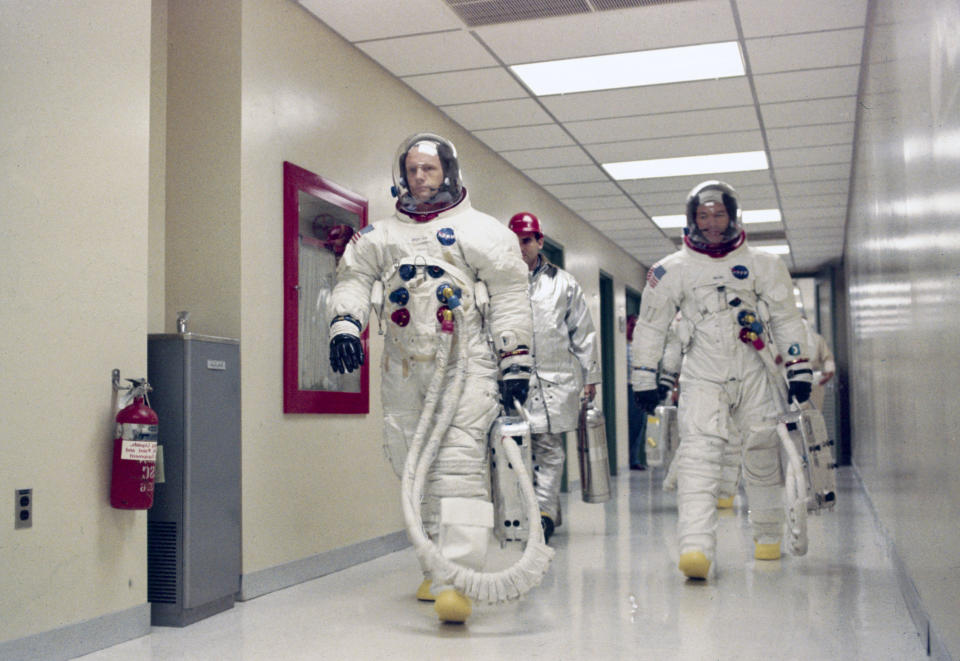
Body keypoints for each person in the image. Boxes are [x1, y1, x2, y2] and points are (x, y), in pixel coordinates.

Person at [328, 133, 534, 622]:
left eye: (430, 169)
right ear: (402, 174)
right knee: (411, 465)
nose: (420, 178)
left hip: (467, 365)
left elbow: (508, 296)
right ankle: (433, 563)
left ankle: (456, 579)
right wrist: (344, 325)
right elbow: (354, 280)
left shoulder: (481, 232)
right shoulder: (378, 237)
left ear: (450, 173)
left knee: (459, 466)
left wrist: (515, 359)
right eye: (413, 169)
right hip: (405, 370)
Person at [631, 180, 813, 580]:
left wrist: (799, 368)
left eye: (719, 215)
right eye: (703, 216)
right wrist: (644, 377)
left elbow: (785, 319)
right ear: (691, 220)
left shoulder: (764, 264)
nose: (711, 224)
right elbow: (651, 327)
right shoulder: (671, 269)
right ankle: (695, 547)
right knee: (698, 456)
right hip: (703, 370)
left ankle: (768, 536)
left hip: (754, 367)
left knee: (762, 451)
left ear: (733, 216)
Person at [509, 211, 601, 543]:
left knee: (549, 449)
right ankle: (538, 512)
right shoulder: (501, 281)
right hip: (513, 381)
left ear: (539, 241)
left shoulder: (564, 283)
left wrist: (591, 375)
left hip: (555, 380)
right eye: (516, 241)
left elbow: (583, 332)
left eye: (526, 241)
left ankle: (544, 518)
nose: (521, 248)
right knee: (519, 449)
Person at [626, 315, 648, 471]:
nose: (634, 329)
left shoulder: (640, 347)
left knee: (638, 425)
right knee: (628, 424)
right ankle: (625, 458)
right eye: (631, 325)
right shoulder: (621, 347)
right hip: (625, 388)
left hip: (639, 388)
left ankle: (634, 458)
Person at [802, 317, 836, 410]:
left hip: (814, 381)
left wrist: (829, 374)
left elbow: (827, 358)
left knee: (814, 411)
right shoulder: (788, 342)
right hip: (794, 381)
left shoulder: (817, 340)